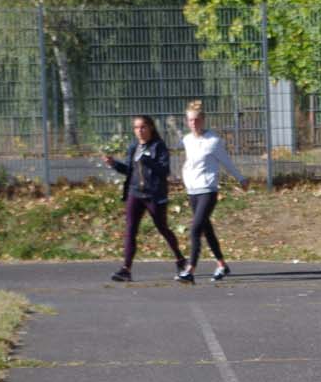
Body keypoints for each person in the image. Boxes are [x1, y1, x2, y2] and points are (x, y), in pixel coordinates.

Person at [103, 114, 185, 283]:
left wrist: (147, 161)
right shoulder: (134, 147)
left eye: (143, 127)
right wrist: (114, 164)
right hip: (135, 193)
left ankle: (180, 259)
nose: (139, 131)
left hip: (154, 195)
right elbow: (129, 170)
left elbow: (164, 171)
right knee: (130, 230)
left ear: (150, 128)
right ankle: (126, 269)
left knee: (162, 228)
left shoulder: (158, 146)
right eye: (136, 128)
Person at [177, 100, 250, 284]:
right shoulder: (187, 140)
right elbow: (190, 162)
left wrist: (241, 178)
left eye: (197, 120)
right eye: (190, 120)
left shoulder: (213, 141)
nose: (193, 123)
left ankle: (190, 270)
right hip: (192, 190)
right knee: (206, 229)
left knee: (195, 228)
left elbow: (226, 162)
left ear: (203, 120)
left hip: (208, 190)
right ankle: (222, 265)